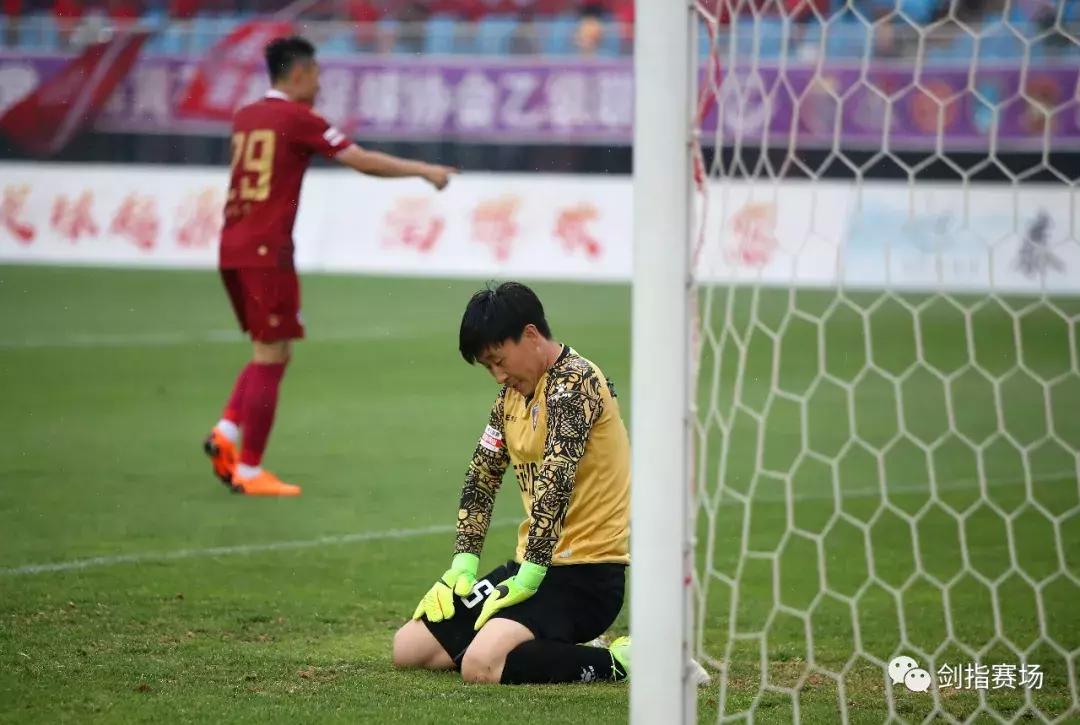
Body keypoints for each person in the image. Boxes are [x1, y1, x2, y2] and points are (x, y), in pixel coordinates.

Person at [203, 36, 455, 497]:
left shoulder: (246, 116)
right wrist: (423, 169)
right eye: (316, 75)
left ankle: (227, 432)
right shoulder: (297, 118)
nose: (320, 85)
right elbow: (360, 161)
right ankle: (251, 470)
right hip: (265, 249)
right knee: (271, 354)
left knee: (269, 349)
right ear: (298, 73)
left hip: (232, 242)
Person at [392, 281, 632, 684]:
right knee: (410, 649)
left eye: (499, 360)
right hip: (529, 570)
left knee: (481, 665)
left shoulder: (576, 384)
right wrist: (462, 567)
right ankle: (555, 651)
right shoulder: (511, 397)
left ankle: (620, 662)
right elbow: (482, 477)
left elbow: (556, 482)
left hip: (586, 578)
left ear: (531, 335)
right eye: (488, 367)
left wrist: (532, 574)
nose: (497, 375)